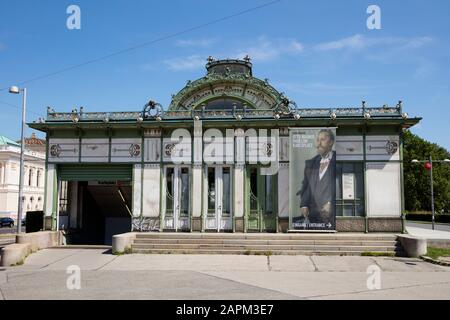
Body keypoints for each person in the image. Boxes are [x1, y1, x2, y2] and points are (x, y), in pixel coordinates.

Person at [296, 129, 336, 225]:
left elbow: (340, 186)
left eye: (322, 140)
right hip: (313, 214)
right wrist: (304, 204)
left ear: (331, 142)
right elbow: (307, 186)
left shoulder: (338, 160)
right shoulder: (311, 163)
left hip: (331, 215)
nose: (318, 144)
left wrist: (331, 203)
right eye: (317, 140)